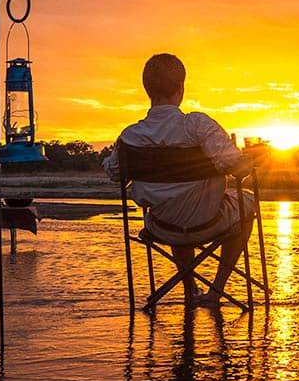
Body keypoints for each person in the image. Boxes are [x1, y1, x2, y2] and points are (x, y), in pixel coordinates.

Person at [102, 53, 257, 309]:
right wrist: (251, 159)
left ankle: (189, 289)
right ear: (181, 88)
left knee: (174, 203)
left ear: (147, 90)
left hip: (161, 226)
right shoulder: (197, 126)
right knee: (247, 204)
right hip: (207, 224)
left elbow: (114, 173)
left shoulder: (130, 136)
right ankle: (216, 291)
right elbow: (235, 166)